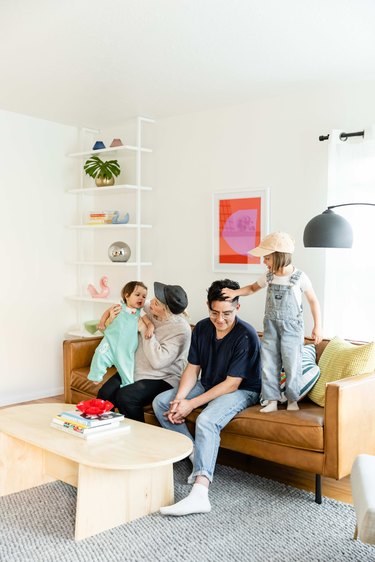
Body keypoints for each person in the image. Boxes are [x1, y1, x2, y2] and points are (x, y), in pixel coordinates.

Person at [152, 279, 261, 516]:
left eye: (227, 314)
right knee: (161, 402)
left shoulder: (246, 336)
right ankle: (195, 452)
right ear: (207, 306)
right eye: (215, 313)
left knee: (207, 420)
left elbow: (232, 384)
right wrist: (179, 399)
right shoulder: (201, 328)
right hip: (209, 382)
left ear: (238, 308)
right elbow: (192, 368)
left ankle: (200, 493)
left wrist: (191, 404)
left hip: (242, 389)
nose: (220, 320)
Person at [222, 231, 322, 413]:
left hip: (292, 328)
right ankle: (271, 400)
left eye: (266, 258)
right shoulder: (269, 277)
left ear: (278, 257)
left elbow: (313, 301)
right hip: (271, 326)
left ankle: (292, 399)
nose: (264, 262)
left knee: (292, 362)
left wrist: (317, 326)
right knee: (269, 363)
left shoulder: (299, 277)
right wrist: (235, 293)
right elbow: (252, 288)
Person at [97, 282, 192, 422]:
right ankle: (107, 432)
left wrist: (143, 329)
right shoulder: (150, 308)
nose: (150, 302)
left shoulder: (180, 330)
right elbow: (128, 304)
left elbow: (158, 362)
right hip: (134, 370)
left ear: (166, 311)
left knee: (126, 397)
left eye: (157, 303)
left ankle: (137, 439)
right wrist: (111, 318)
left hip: (162, 377)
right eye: (154, 298)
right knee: (104, 395)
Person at [88, 280, 153, 389]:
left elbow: (149, 323)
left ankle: (127, 385)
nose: (141, 298)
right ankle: (96, 375)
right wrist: (102, 322)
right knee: (99, 353)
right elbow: (107, 313)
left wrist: (150, 328)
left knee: (126, 366)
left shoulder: (140, 312)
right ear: (127, 296)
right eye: (137, 295)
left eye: (144, 296)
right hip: (110, 340)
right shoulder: (118, 306)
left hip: (126, 347)